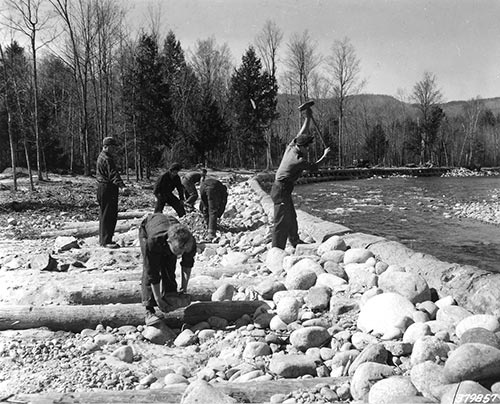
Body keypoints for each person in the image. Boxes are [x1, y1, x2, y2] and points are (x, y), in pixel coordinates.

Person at [270, 105, 331, 250]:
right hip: (280, 188)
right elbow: (315, 167)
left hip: (282, 188)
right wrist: (325, 155)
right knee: (281, 220)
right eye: (308, 146)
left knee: (291, 216)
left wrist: (307, 118)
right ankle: (276, 249)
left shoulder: (292, 145)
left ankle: (295, 241)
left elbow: (302, 132)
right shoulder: (298, 160)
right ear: (302, 147)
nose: (308, 149)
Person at [139, 213, 195, 326]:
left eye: (183, 252)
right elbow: (152, 273)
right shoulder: (153, 242)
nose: (181, 254)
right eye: (178, 251)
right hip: (149, 228)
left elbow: (187, 264)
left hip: (169, 226)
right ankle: (149, 309)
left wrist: (184, 288)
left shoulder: (189, 241)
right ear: (169, 242)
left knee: (170, 265)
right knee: (149, 268)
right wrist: (157, 299)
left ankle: (170, 295)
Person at [96, 136, 125, 248]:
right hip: (107, 188)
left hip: (102, 188)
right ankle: (106, 241)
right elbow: (113, 174)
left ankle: (104, 239)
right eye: (112, 147)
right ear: (106, 146)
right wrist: (122, 186)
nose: (114, 150)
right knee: (109, 215)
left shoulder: (101, 156)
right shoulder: (107, 159)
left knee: (104, 214)